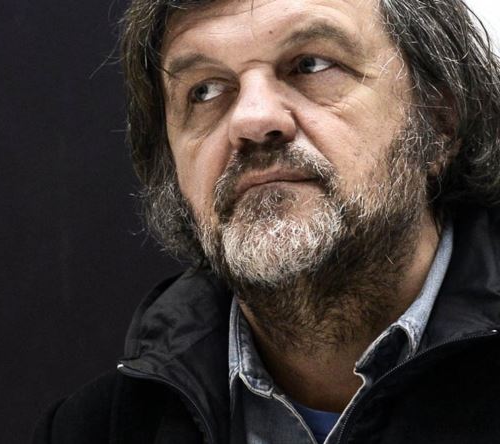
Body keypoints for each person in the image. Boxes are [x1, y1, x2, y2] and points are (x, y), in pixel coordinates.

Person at [34, 0, 500, 442]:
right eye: (205, 90)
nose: (252, 121)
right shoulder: (93, 430)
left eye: (311, 65)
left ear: (439, 120)